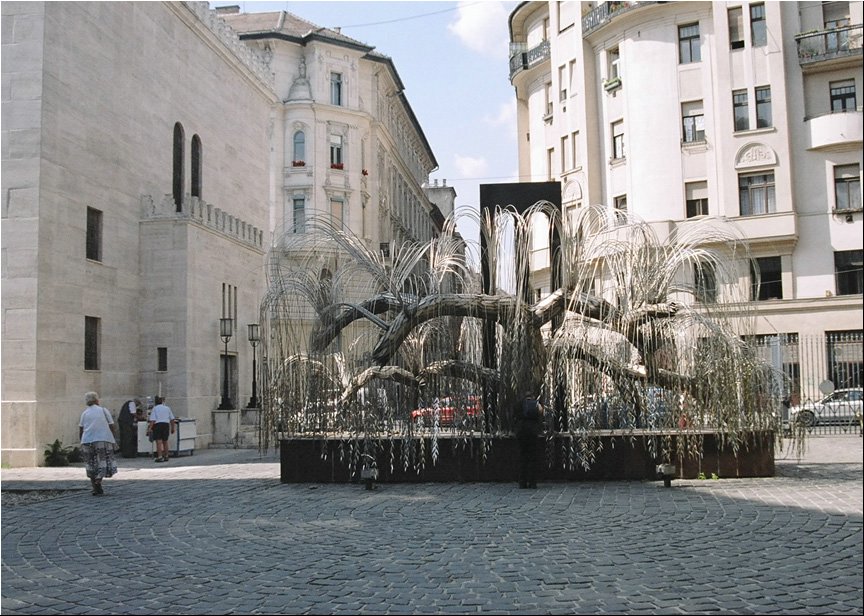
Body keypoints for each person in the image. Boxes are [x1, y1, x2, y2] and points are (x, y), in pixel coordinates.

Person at [78, 391, 118, 496]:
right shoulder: (103, 410)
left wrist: (81, 441)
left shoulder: (84, 413)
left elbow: (81, 428)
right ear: (97, 400)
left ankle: (96, 488)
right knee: (103, 460)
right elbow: (111, 425)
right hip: (102, 438)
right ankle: (99, 478)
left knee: (90, 464)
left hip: (87, 440)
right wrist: (112, 437)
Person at [514, 391, 544, 489]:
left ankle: (522, 482)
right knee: (532, 457)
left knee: (522, 457)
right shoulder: (536, 404)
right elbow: (541, 414)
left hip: (521, 433)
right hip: (532, 433)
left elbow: (514, 417)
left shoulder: (518, 404)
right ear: (532, 397)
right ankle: (532, 482)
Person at [148, 396, 175, 462]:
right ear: (162, 401)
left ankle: (160, 456)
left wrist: (149, 428)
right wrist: (172, 428)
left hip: (158, 425)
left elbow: (153, 420)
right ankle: (166, 456)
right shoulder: (167, 408)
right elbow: (172, 419)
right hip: (166, 425)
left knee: (159, 441)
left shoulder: (155, 408)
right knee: (165, 441)